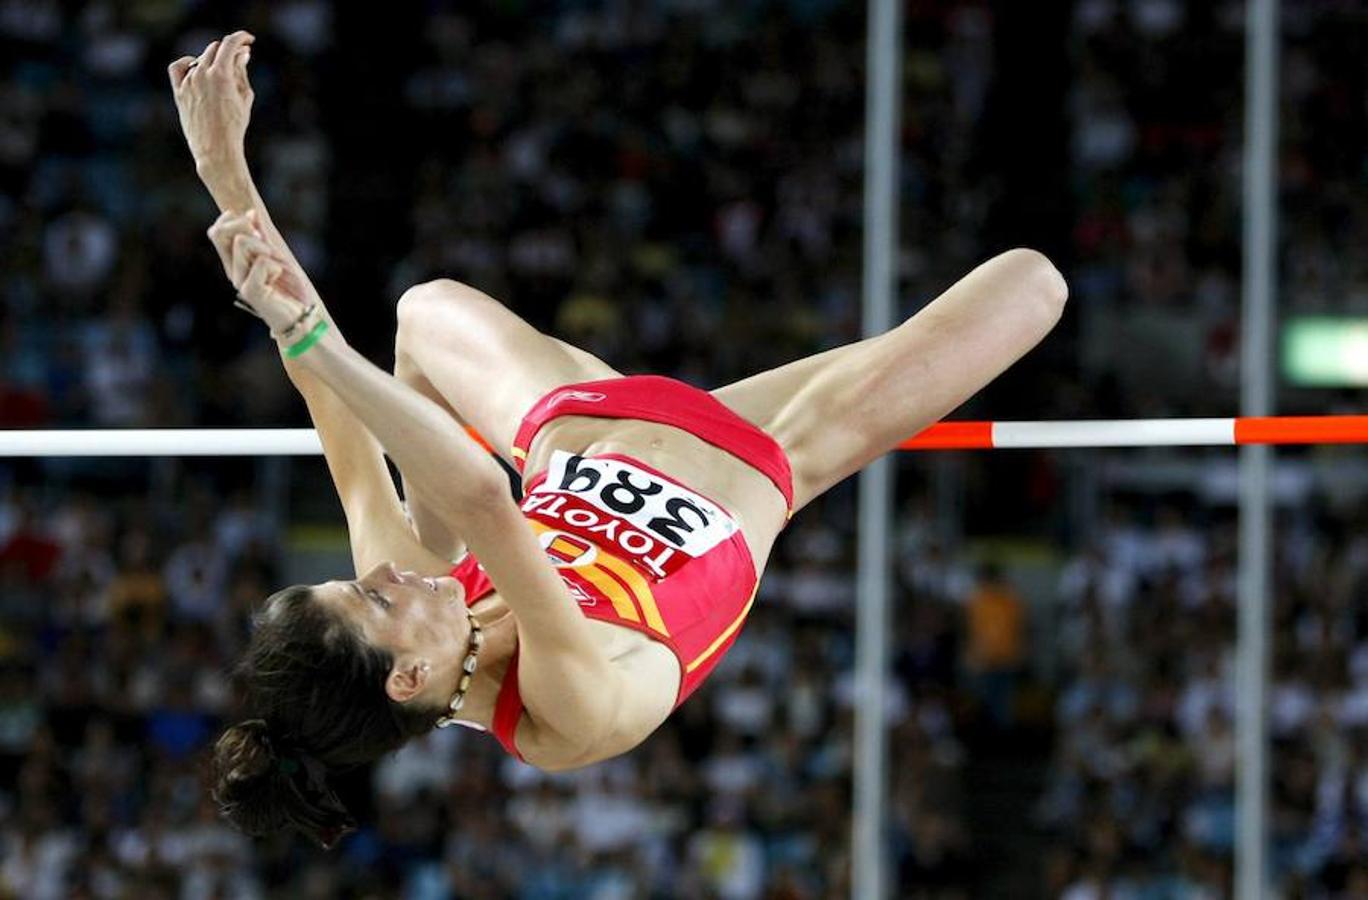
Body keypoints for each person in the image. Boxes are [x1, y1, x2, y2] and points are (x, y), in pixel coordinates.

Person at [169, 31, 1068, 848]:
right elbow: (483, 491)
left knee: (421, 313)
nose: (385, 575)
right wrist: (316, 345)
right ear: (405, 679)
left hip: (587, 424)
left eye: (363, 580)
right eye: (372, 599)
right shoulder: (567, 716)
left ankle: (470, 465)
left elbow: (321, 386)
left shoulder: (419, 601)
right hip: (766, 451)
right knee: (1033, 286)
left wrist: (227, 177)